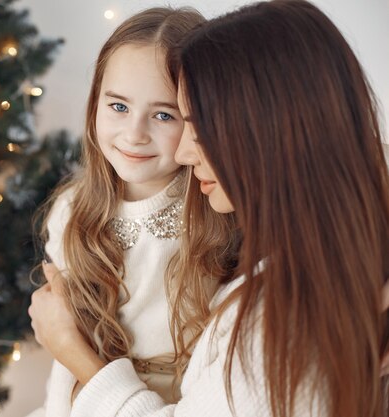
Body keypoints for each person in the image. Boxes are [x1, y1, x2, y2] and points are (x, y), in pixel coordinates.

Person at [29, 1, 389, 416]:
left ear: (265, 133)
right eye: (118, 106)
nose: (183, 152)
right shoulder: (317, 238)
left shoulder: (280, 311)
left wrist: (72, 350)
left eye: (188, 124)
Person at [28, 7, 213, 417]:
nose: (134, 134)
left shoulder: (215, 209)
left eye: (163, 115)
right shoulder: (72, 210)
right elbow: (66, 347)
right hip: (83, 398)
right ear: (96, 102)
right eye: (118, 107)